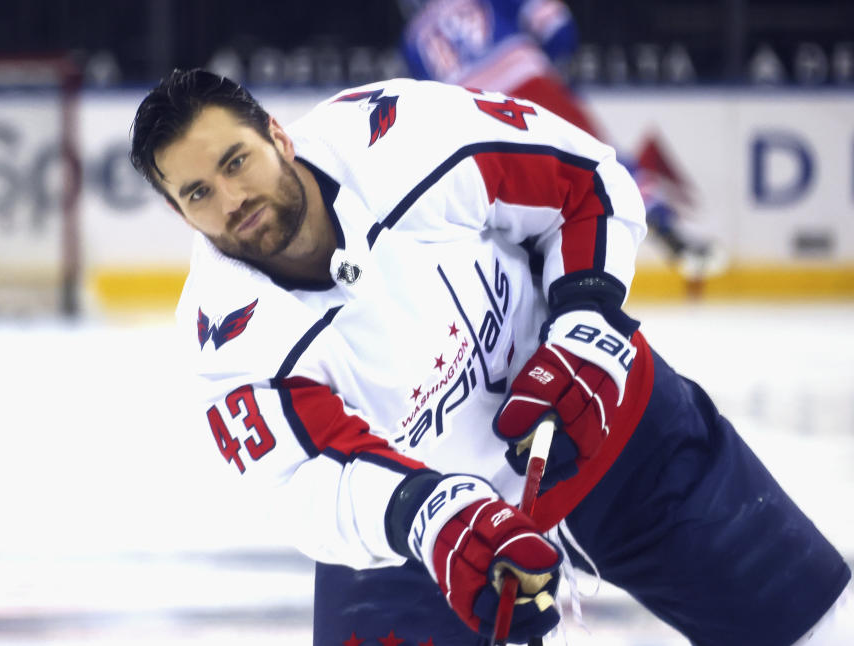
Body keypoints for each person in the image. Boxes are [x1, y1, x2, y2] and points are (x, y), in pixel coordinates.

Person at [129, 69, 851, 645]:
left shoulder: (402, 136)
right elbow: (307, 484)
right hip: (430, 546)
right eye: (199, 192)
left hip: (606, 427)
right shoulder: (228, 340)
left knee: (812, 627)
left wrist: (585, 325)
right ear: (179, 213)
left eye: (236, 161)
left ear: (278, 136)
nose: (232, 198)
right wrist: (432, 517)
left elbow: (584, 186)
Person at [399, 0, 726, 287]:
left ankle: (526, 277)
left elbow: (433, 100)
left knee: (514, 202)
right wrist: (550, 62)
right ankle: (664, 224)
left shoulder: (413, 37)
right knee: (598, 161)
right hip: (528, 82)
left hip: (474, 112)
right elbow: (556, 25)